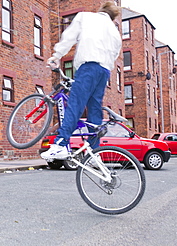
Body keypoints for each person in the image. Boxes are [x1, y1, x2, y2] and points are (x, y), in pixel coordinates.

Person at [41, 2, 122, 160]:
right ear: (112, 18)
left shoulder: (86, 17)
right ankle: (94, 152)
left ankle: (61, 144)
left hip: (88, 67)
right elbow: (114, 54)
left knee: (75, 105)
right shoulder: (115, 32)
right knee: (94, 109)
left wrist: (57, 55)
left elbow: (69, 37)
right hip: (104, 71)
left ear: (100, 10)